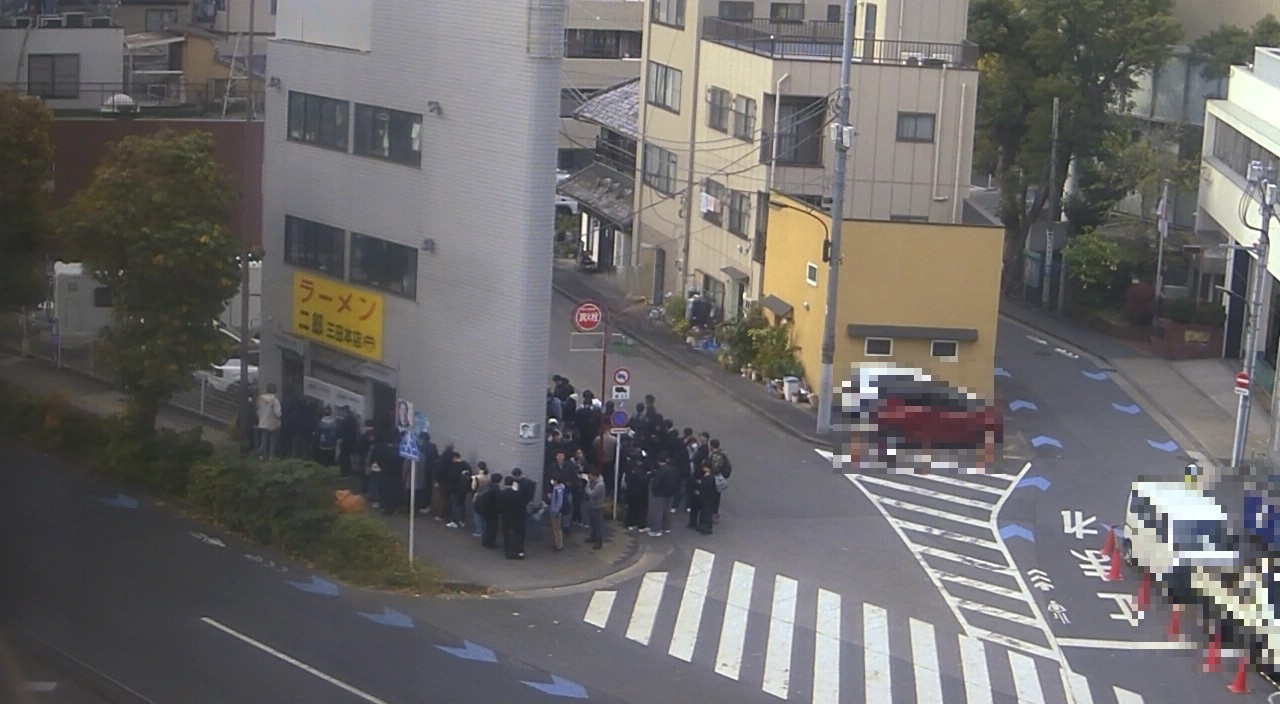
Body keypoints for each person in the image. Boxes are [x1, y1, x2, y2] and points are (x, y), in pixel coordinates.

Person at [643, 453, 680, 536]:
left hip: (660, 493)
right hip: (670, 493)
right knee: (666, 510)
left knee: (658, 511)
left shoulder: (661, 471)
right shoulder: (672, 469)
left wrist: (653, 490)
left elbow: (656, 482)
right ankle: (665, 527)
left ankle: (656, 530)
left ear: (658, 461)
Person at [498, 476, 526, 559]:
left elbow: (499, 506)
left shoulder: (501, 494)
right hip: (516, 516)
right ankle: (516, 549)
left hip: (505, 516)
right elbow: (522, 506)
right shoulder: (517, 494)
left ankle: (506, 548)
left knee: (506, 532)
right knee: (517, 533)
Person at [254, 383, 282, 459]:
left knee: (263, 440)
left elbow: (258, 410)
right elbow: (278, 413)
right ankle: (271, 456)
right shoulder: (275, 400)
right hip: (272, 423)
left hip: (262, 422)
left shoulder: (260, 399)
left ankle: (262, 455)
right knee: (272, 440)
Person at [475, 472, 502, 548]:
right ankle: (490, 543)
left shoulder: (487, 487)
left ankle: (485, 541)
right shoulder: (496, 490)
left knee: (487, 526)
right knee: (492, 528)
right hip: (492, 511)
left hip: (485, 510)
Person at [692, 462, 718, 534]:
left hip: (707, 498)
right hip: (709, 497)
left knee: (706, 513)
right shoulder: (711, 476)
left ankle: (706, 528)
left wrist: (699, 491)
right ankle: (704, 526)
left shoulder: (709, 477)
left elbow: (706, 487)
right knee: (705, 512)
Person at [585, 470, 606, 549]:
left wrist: (587, 486)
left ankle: (598, 541)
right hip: (592, 505)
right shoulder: (593, 482)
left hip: (598, 506)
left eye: (590, 476)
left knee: (598, 524)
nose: (589, 478)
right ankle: (592, 537)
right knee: (592, 523)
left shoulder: (600, 485)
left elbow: (592, 494)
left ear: (595, 476)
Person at [470, 462, 491, 537]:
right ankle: (485, 530)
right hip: (487, 496)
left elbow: (473, 488)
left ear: (478, 468)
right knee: (485, 513)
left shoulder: (477, 477)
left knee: (477, 514)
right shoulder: (489, 476)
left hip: (478, 496)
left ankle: (479, 531)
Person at [547, 476, 568, 551]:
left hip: (556, 513)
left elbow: (559, 502)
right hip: (555, 511)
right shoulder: (558, 488)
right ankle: (557, 543)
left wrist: (555, 511)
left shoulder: (558, 490)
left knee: (557, 529)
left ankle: (559, 545)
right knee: (556, 529)